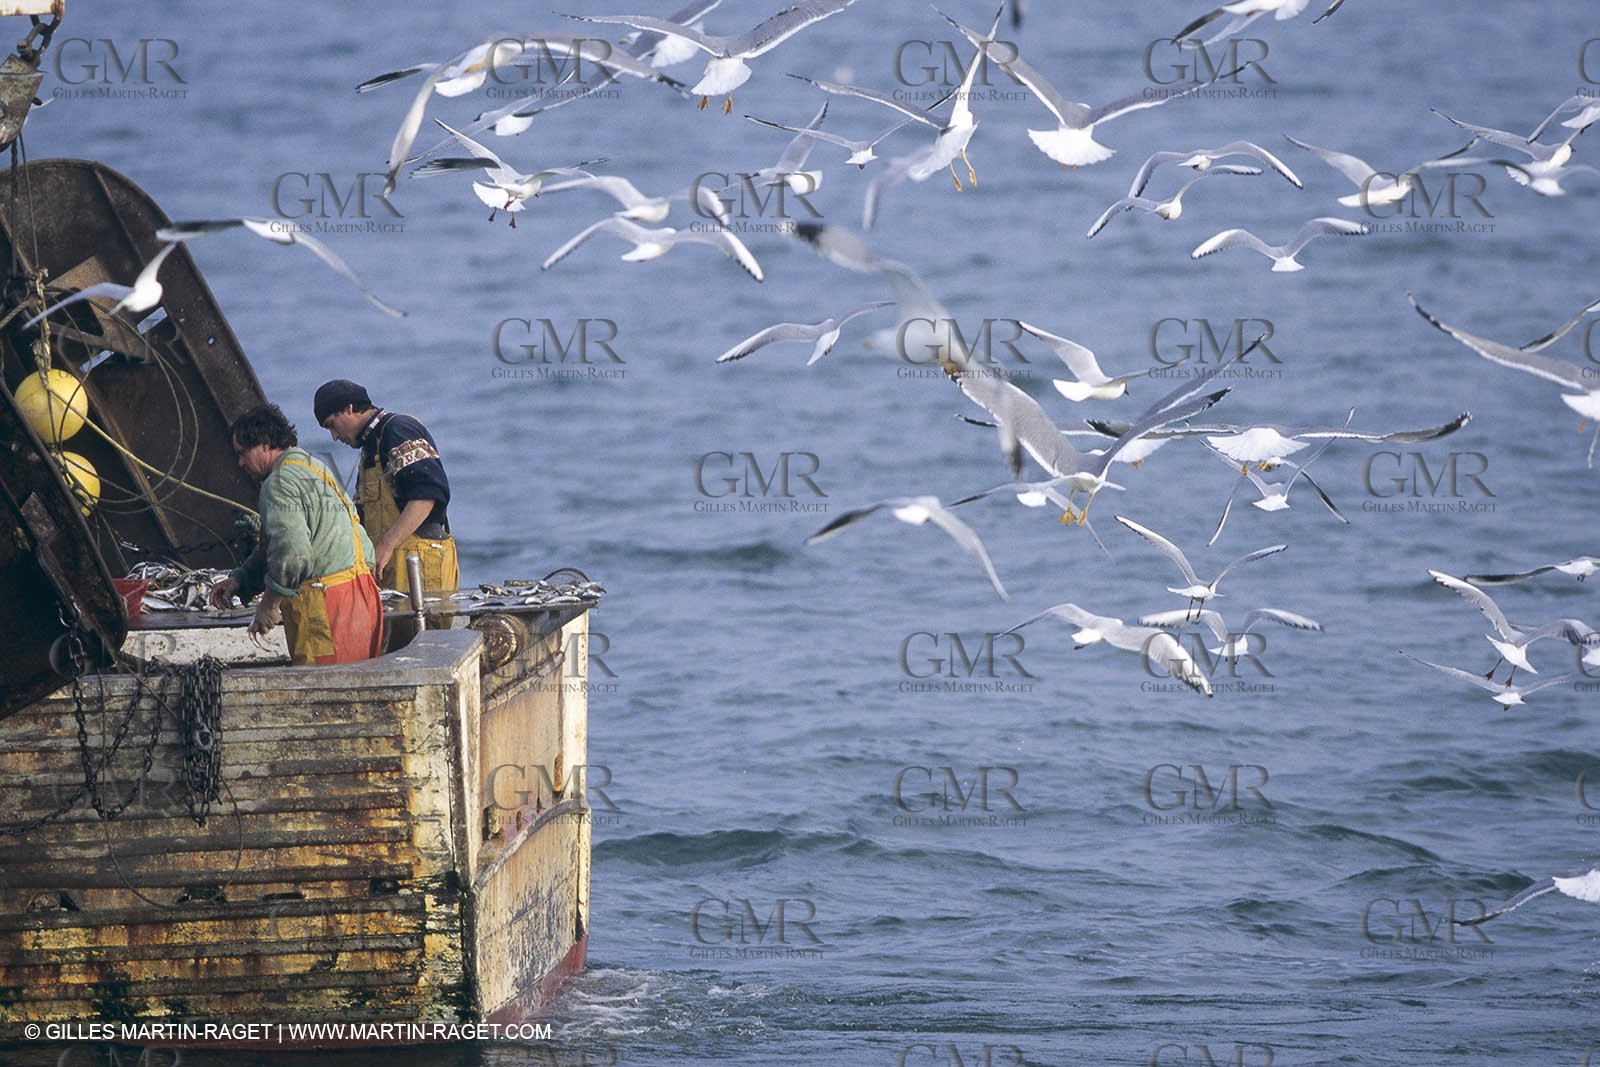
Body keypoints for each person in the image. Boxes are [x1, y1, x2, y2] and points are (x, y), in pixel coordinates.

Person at [209, 403, 383, 666]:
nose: (240, 463)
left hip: (325, 610)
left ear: (265, 444)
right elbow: (288, 546)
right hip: (362, 600)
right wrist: (240, 580)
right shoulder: (316, 469)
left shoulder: (278, 484)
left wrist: (269, 604)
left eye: (243, 453)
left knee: (325, 698)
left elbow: (293, 554)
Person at [313, 379, 457, 631]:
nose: (334, 437)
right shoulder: (371, 448)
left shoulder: (399, 430)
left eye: (332, 426)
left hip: (419, 565)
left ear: (348, 408)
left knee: (421, 645)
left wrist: (387, 544)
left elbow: (427, 495)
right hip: (396, 568)